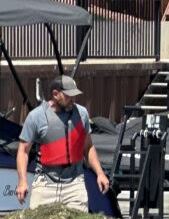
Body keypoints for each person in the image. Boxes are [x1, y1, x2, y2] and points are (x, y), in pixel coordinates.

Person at [15, 75, 110, 211]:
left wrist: (100, 173)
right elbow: (23, 151)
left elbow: (88, 147)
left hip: (75, 183)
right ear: (55, 94)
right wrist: (22, 181)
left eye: (75, 95)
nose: (73, 99)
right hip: (45, 183)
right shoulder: (36, 117)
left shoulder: (82, 113)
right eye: (68, 95)